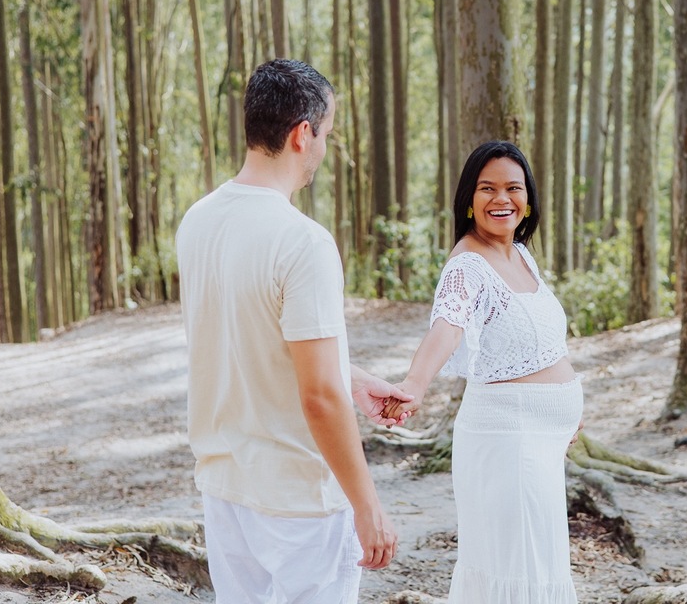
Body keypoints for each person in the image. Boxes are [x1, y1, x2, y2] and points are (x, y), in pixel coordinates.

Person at [176, 58, 410, 603]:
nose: (326, 149)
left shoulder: (199, 221)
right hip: (299, 498)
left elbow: (245, 337)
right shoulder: (303, 242)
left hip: (226, 487)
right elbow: (319, 397)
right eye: (327, 133)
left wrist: (351, 377)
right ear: (302, 135)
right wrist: (366, 503)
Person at [387, 140, 583, 603]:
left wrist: (567, 409)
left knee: (541, 562)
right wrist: (414, 384)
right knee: (518, 569)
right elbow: (447, 329)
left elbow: (546, 343)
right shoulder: (468, 265)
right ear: (469, 201)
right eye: (487, 189)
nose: (502, 199)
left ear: (528, 198)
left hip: (543, 439)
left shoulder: (520, 254)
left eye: (513, 188)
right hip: (508, 440)